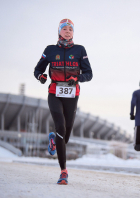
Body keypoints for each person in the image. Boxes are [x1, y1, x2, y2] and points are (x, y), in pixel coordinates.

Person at [34, 18, 93, 185]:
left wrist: (78, 78)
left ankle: (54, 139)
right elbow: (38, 69)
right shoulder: (50, 50)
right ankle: (63, 172)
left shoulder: (80, 50)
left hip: (72, 94)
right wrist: (41, 76)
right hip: (55, 93)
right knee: (60, 126)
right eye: (65, 28)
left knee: (64, 136)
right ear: (59, 31)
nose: (68, 31)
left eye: (71, 29)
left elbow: (89, 73)